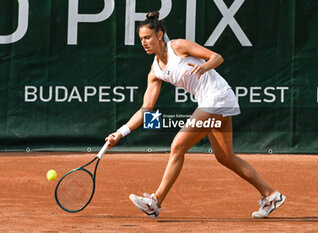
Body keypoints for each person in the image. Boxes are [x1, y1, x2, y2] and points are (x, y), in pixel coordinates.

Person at [105, 11, 286, 219]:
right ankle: (271, 195)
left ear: (160, 35)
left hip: (217, 97)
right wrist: (120, 132)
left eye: (148, 37)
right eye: (141, 39)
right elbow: (146, 109)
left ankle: (155, 202)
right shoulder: (155, 71)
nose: (144, 43)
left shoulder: (178, 46)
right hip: (211, 101)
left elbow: (217, 57)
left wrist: (204, 67)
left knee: (177, 145)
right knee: (225, 157)